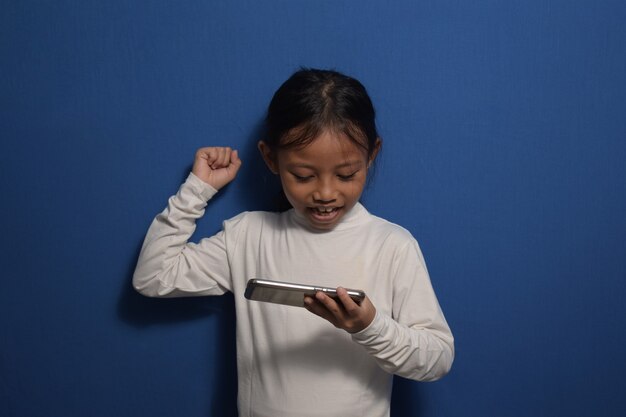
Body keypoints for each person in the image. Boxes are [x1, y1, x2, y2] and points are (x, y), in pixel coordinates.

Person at [133, 68, 454, 417]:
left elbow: (436, 359)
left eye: (346, 175)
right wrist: (197, 189)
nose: (325, 193)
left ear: (371, 155)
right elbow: (153, 276)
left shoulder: (392, 245)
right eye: (303, 176)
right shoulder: (248, 236)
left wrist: (369, 327)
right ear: (271, 158)